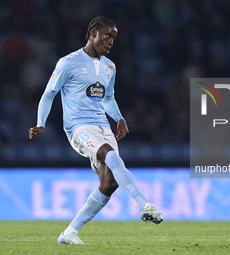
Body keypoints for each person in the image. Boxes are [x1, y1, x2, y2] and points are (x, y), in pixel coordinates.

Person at [29, 16, 163, 245]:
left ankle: (69, 233)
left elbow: (108, 98)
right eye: (107, 36)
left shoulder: (110, 67)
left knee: (109, 183)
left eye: (114, 38)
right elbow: (49, 94)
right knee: (111, 156)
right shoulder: (68, 62)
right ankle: (146, 205)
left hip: (102, 126)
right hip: (78, 128)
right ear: (93, 34)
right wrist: (41, 122)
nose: (111, 41)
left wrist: (119, 118)